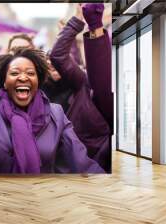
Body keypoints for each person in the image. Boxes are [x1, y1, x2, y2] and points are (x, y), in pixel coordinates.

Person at [0, 47, 104, 174]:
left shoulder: (56, 114)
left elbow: (80, 159)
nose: (23, 77)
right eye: (15, 73)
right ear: (4, 82)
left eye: (30, 73)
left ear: (38, 80)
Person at [44, 3, 112, 172]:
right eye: (47, 64)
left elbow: (61, 57)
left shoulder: (83, 83)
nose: (52, 66)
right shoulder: (44, 93)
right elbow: (60, 57)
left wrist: (76, 24)